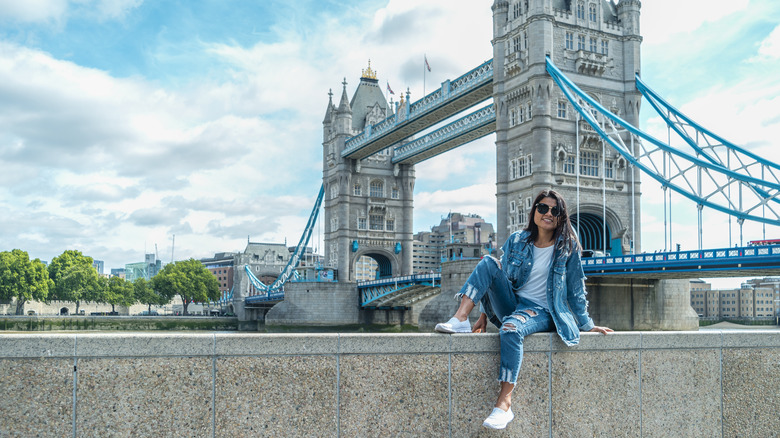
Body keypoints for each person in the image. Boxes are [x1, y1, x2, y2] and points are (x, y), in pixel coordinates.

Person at [434, 188, 613, 430]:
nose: (547, 213)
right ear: (535, 211)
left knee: (510, 329)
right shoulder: (517, 239)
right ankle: (461, 318)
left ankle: (504, 403)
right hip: (513, 303)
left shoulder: (567, 247)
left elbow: (575, 290)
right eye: (542, 208)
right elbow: (499, 279)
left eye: (554, 210)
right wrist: (484, 315)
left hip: (544, 310)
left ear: (561, 216)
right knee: (488, 262)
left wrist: (587, 325)